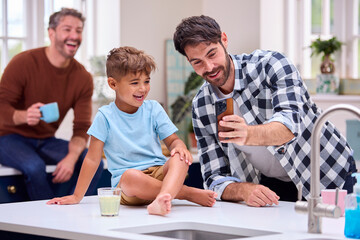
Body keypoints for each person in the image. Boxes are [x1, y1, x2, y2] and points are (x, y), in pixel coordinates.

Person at [173, 15, 357, 207]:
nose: (209, 67)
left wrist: (248, 134)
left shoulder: (272, 65)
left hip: (328, 171)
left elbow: (289, 126)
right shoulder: (202, 105)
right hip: (273, 184)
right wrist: (243, 190)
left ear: (224, 40)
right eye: (197, 62)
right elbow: (214, 177)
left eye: (212, 54)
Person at [47, 46, 217, 216]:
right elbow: (92, 159)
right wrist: (77, 196)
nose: (143, 88)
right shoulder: (105, 117)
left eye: (147, 81)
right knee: (130, 177)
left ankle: (161, 199)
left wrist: (179, 146)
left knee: (180, 156)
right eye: (135, 83)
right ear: (113, 84)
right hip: (130, 188)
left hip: (159, 175)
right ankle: (186, 193)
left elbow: (173, 141)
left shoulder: (154, 109)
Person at [0, 8, 103, 201]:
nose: (74, 36)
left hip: (46, 140)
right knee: (34, 166)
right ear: (51, 32)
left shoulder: (82, 77)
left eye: (79, 30)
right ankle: (51, 223)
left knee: (95, 161)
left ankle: (72, 208)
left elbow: (81, 127)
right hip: (8, 138)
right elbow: (2, 107)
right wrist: (23, 115)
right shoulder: (22, 63)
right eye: (67, 29)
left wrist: (71, 158)